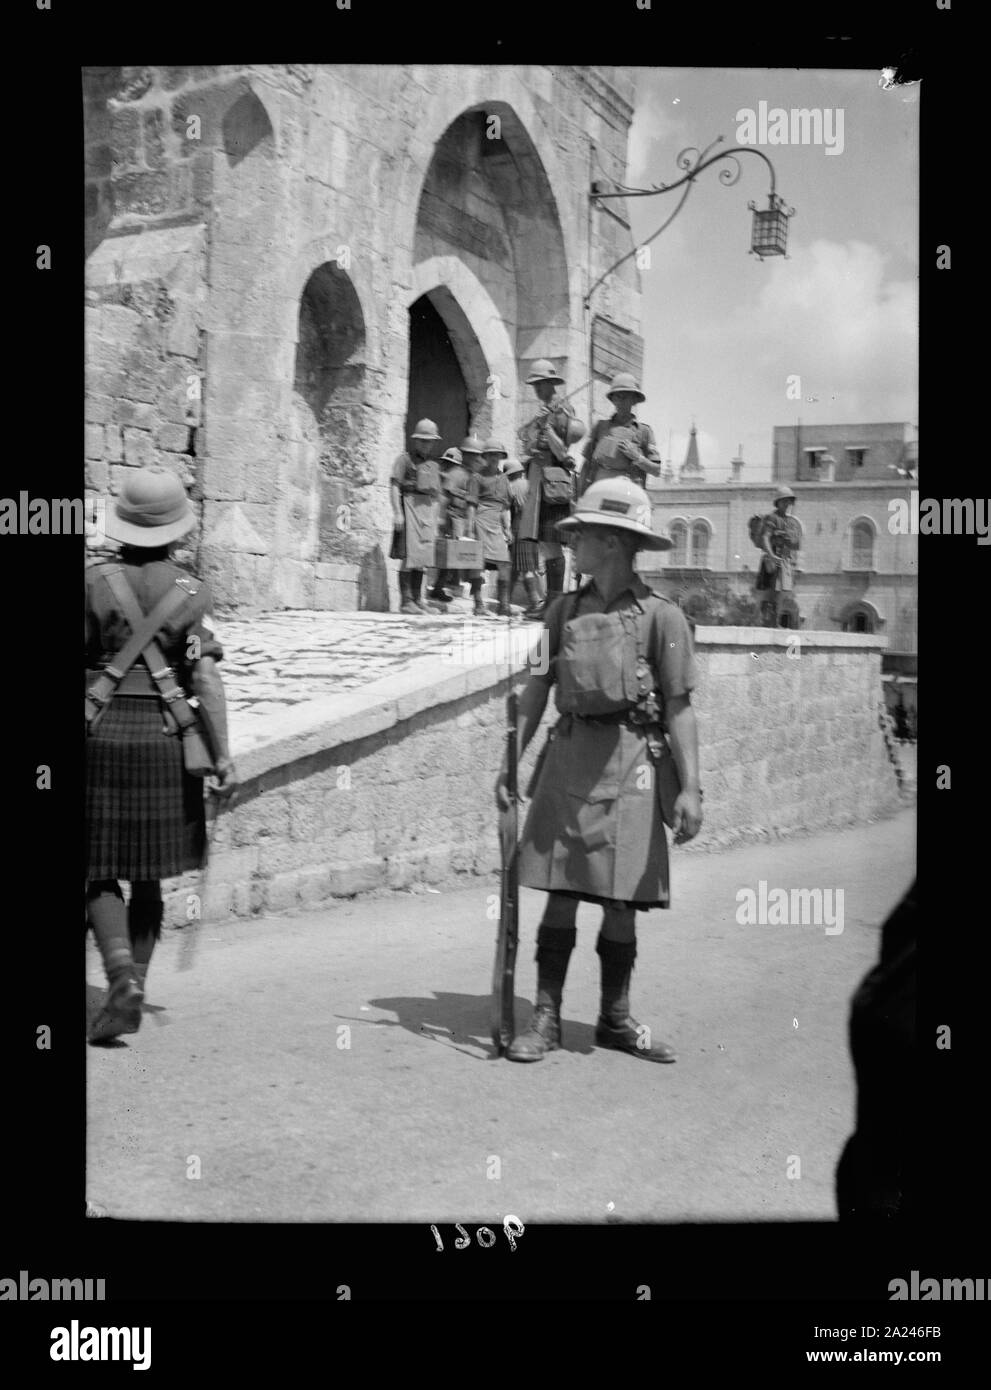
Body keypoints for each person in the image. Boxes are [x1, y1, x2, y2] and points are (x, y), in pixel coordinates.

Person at [494, 476, 703, 1064]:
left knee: (619, 902)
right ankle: (546, 1016)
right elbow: (536, 687)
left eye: (580, 534)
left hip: (634, 763)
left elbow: (681, 707)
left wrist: (690, 789)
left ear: (611, 542)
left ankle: (614, 1018)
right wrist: (510, 764)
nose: (572, 544)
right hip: (567, 762)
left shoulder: (664, 619)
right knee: (559, 893)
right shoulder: (558, 611)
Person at [86, 466, 237, 1044]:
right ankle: (135, 986)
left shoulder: (92, 582)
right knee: (148, 875)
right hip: (168, 738)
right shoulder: (194, 594)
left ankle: (120, 977)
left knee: (95, 868)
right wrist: (222, 755)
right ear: (178, 530)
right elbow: (206, 678)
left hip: (99, 734)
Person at [516, 359, 582, 615]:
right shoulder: (543, 412)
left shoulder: (563, 411)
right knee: (543, 543)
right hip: (537, 481)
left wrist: (546, 427)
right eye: (534, 385)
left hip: (553, 483)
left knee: (552, 543)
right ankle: (550, 604)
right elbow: (528, 445)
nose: (536, 389)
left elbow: (562, 449)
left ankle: (555, 605)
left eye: (539, 384)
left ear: (550, 384)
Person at [577, 372, 662, 496]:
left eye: (625, 396)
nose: (621, 401)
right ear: (612, 400)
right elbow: (586, 465)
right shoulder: (600, 427)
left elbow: (656, 470)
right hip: (599, 492)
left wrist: (637, 457)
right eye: (617, 396)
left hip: (630, 495)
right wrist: (579, 497)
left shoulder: (644, 431)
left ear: (634, 400)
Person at [390, 419, 442, 615]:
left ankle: (418, 599)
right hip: (408, 508)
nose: (426, 445)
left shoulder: (432, 464)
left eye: (429, 441)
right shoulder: (404, 460)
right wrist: (397, 512)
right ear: (415, 440)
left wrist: (435, 520)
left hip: (426, 513)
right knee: (408, 556)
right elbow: (395, 485)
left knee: (422, 556)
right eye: (422, 441)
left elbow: (436, 495)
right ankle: (406, 601)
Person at [466, 439, 514, 617]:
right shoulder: (476, 477)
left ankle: (504, 604)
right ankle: (478, 604)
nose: (494, 458)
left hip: (497, 521)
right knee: (477, 563)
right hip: (481, 519)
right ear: (485, 456)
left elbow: (506, 506)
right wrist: (469, 528)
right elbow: (471, 504)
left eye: (498, 455)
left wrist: (507, 528)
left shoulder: (504, 479)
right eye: (491, 454)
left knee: (504, 563)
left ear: (501, 457)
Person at [755, 485, 802, 628]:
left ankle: (774, 622)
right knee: (770, 591)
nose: (787, 504)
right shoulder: (772, 518)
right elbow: (765, 537)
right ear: (778, 502)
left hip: (783, 559)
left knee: (780, 593)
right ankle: (767, 622)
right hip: (772, 558)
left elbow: (793, 542)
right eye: (784, 501)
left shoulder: (788, 521)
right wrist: (772, 555)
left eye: (789, 501)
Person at [430, 445, 470, 603]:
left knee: (450, 555)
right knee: (450, 555)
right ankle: (440, 587)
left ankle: (441, 586)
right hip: (454, 518)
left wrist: (439, 517)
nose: (445, 465)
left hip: (453, 518)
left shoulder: (454, 474)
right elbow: (445, 497)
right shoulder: (458, 474)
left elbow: (445, 497)